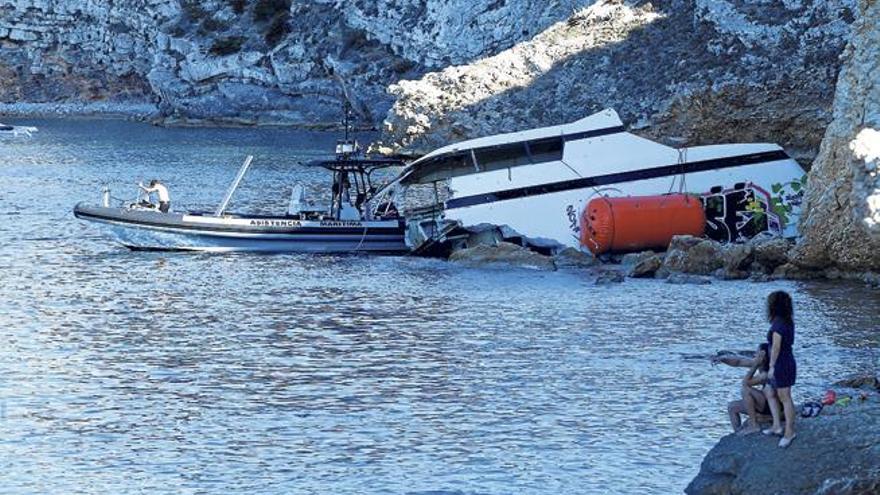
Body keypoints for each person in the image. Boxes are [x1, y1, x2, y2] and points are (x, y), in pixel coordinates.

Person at [762, 290, 797, 448]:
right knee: (770, 391)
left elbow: (776, 347)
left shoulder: (778, 325)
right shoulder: (786, 321)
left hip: (781, 363)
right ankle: (776, 425)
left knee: (785, 396)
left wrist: (771, 366)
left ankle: (789, 431)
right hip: (786, 360)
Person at [712, 344, 772, 434]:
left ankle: (754, 424)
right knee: (732, 407)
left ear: (763, 356)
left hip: (769, 405)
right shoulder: (760, 363)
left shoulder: (766, 374)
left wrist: (755, 366)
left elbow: (745, 383)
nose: (754, 355)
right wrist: (723, 359)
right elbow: (739, 362)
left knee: (746, 390)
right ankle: (737, 433)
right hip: (763, 402)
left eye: (757, 353)